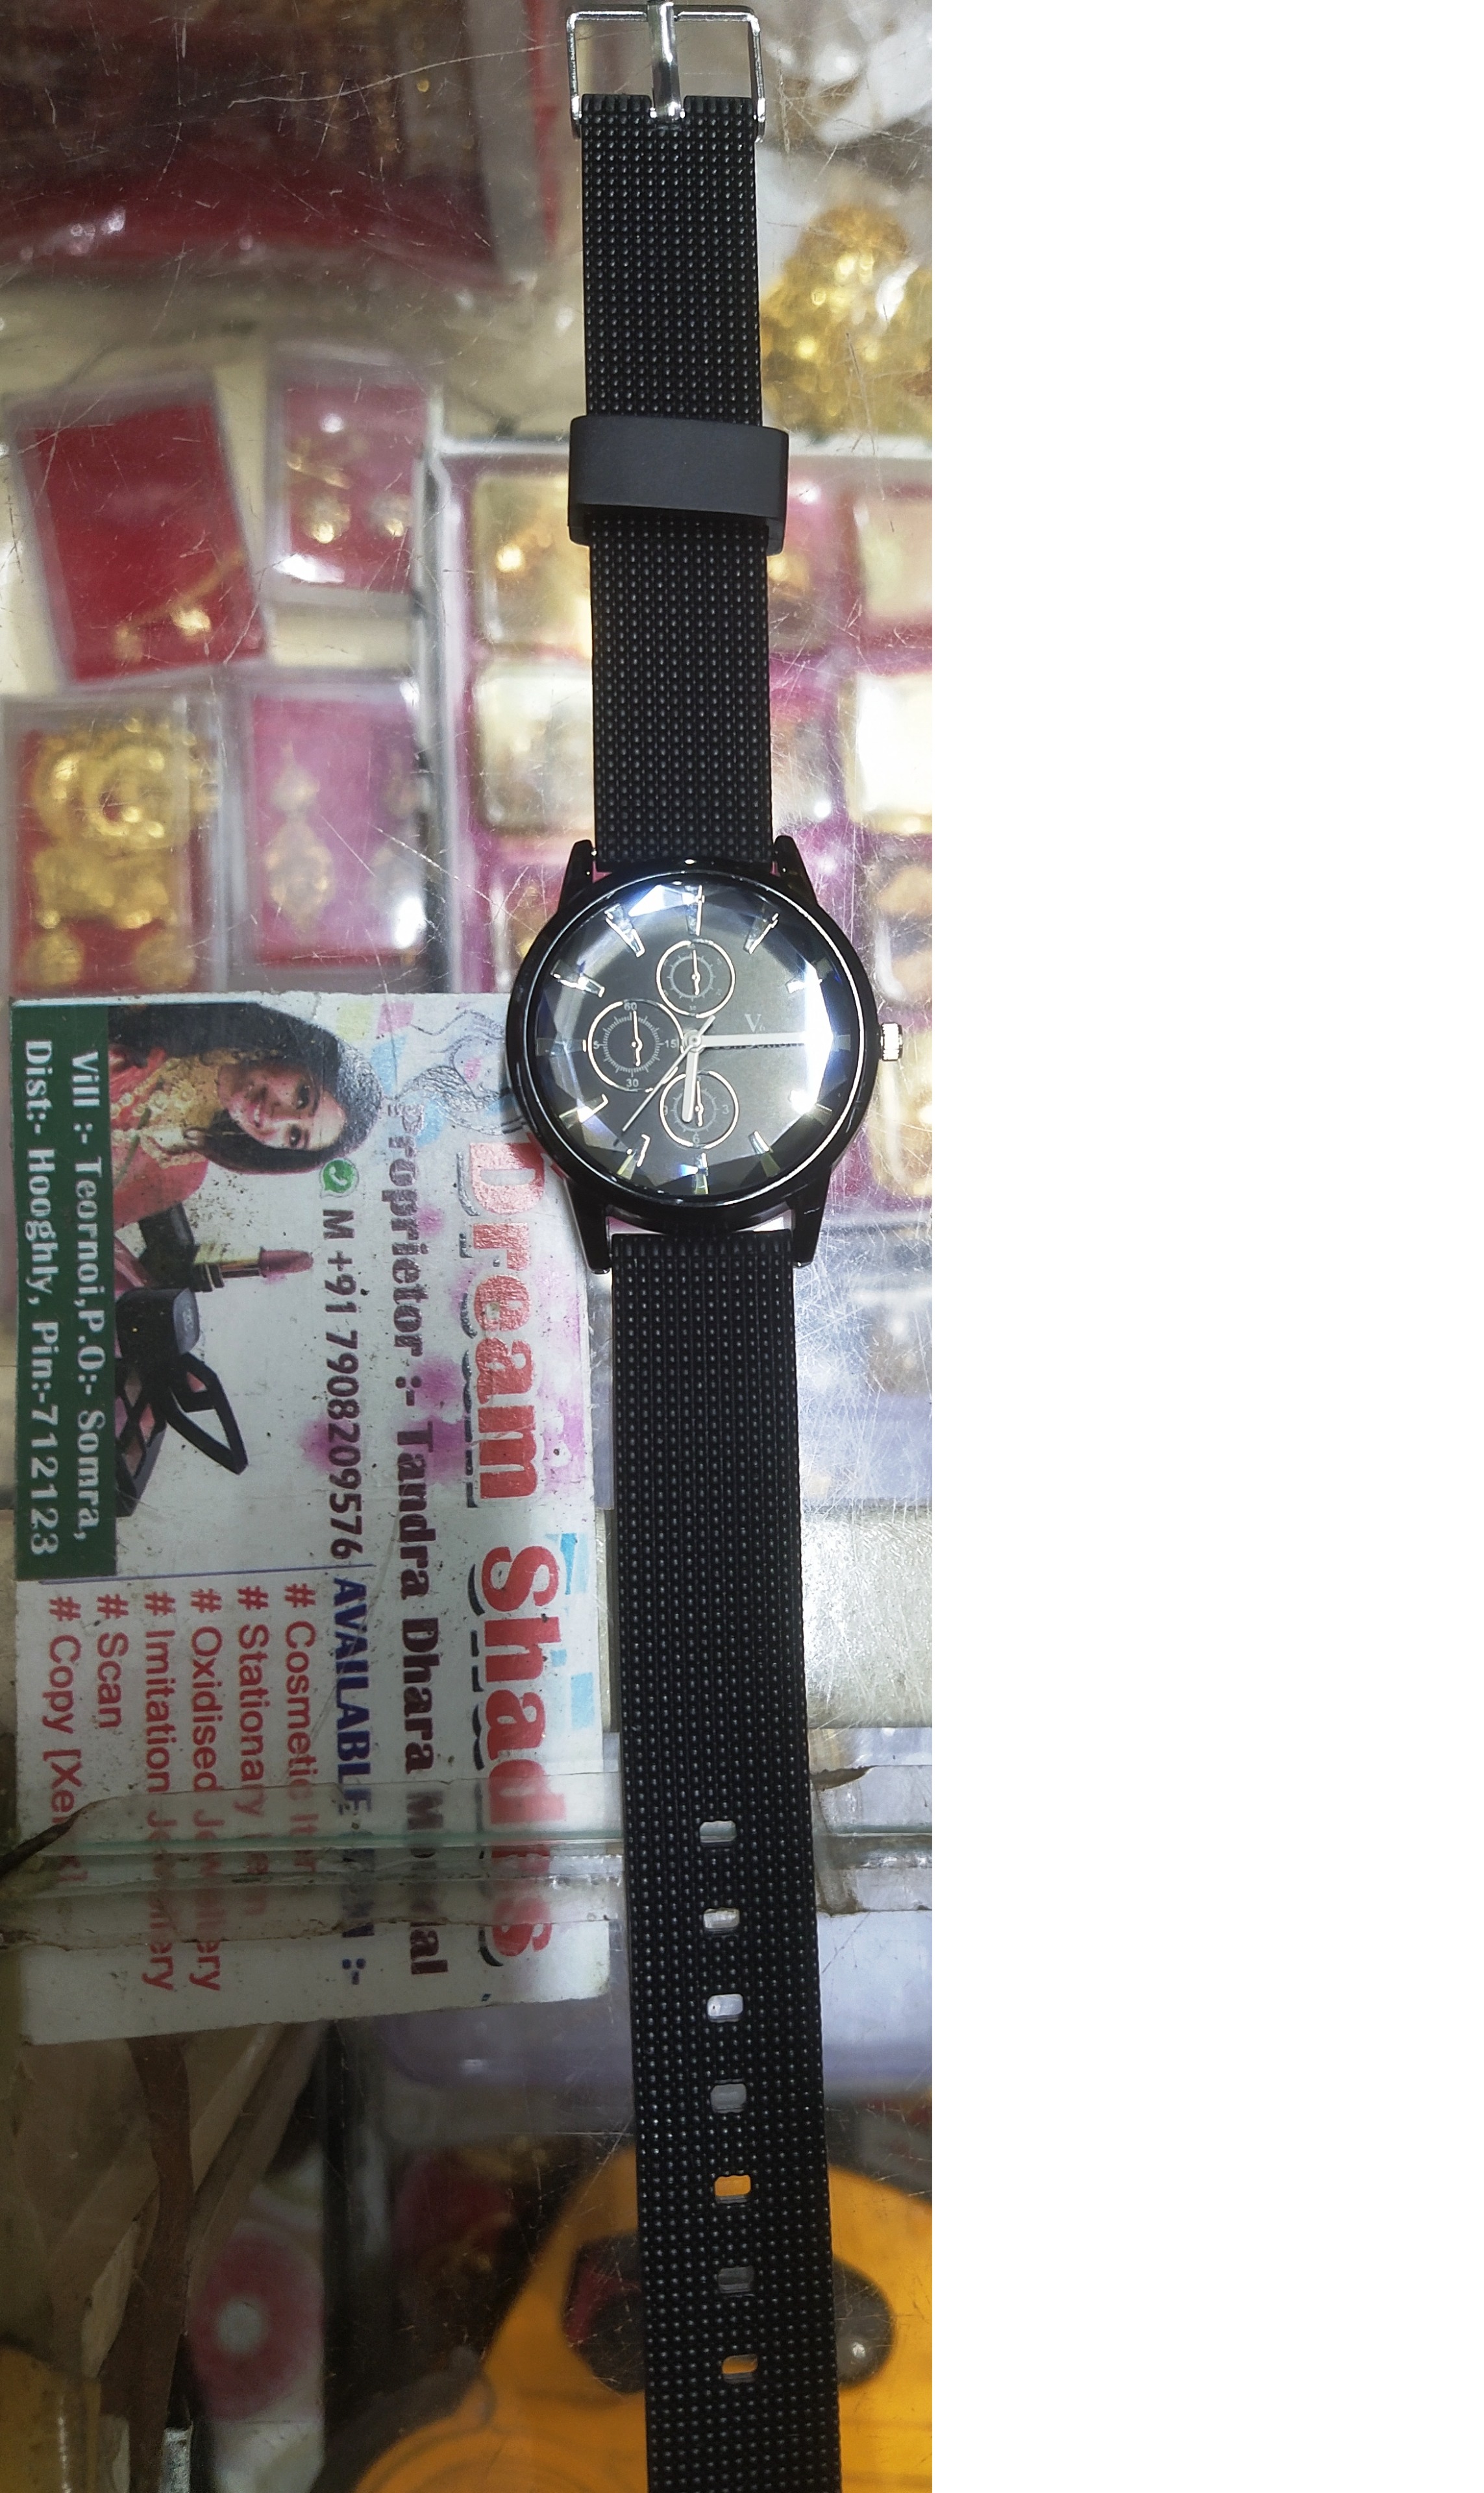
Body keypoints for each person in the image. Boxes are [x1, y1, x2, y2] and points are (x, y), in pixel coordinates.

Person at [108, 999, 383, 1225]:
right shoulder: (174, 1010)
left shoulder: (181, 1178)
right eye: (302, 1098)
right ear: (294, 1056)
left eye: (295, 1136)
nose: (277, 1118)